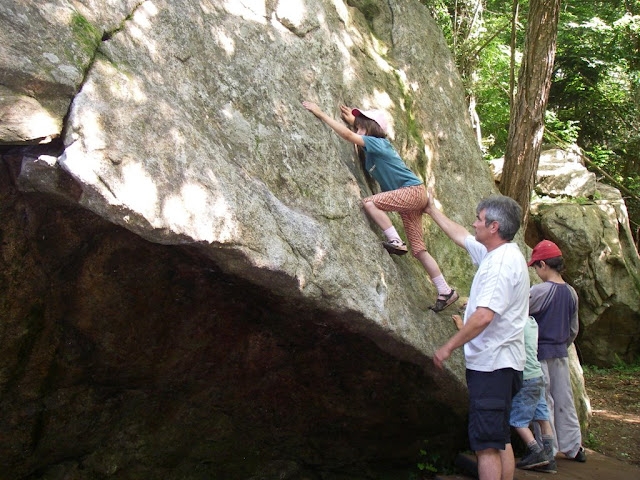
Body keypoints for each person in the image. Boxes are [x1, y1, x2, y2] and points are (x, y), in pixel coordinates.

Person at [301, 101, 458, 312]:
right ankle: (445, 290)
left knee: (369, 202)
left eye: (360, 124)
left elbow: (349, 137)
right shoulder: (372, 152)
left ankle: (395, 240)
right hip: (410, 200)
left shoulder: (378, 143)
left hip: (412, 192)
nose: (356, 128)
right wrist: (355, 122)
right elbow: (356, 138)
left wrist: (321, 114)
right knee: (419, 250)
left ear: (371, 127)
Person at [426, 193, 528, 480]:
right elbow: (461, 236)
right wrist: (432, 210)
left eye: (479, 219)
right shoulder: (500, 253)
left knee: (486, 446)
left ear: (493, 226)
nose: (473, 223)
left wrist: (448, 347)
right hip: (504, 365)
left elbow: (484, 316)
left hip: (492, 366)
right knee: (499, 438)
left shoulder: (499, 266)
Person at [528, 240, 586, 462]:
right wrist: (563, 344)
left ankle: (547, 448)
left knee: (542, 400)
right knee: (565, 399)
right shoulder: (571, 293)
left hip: (539, 353)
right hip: (561, 352)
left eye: (536, 266)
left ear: (543, 264)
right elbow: (573, 329)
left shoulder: (540, 291)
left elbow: (519, 312)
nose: (536, 271)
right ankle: (574, 447)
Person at [510, 315, 558, 473]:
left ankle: (536, 451)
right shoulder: (531, 322)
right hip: (538, 375)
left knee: (517, 421)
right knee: (543, 419)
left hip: (526, 378)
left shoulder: (516, 324)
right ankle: (550, 459)